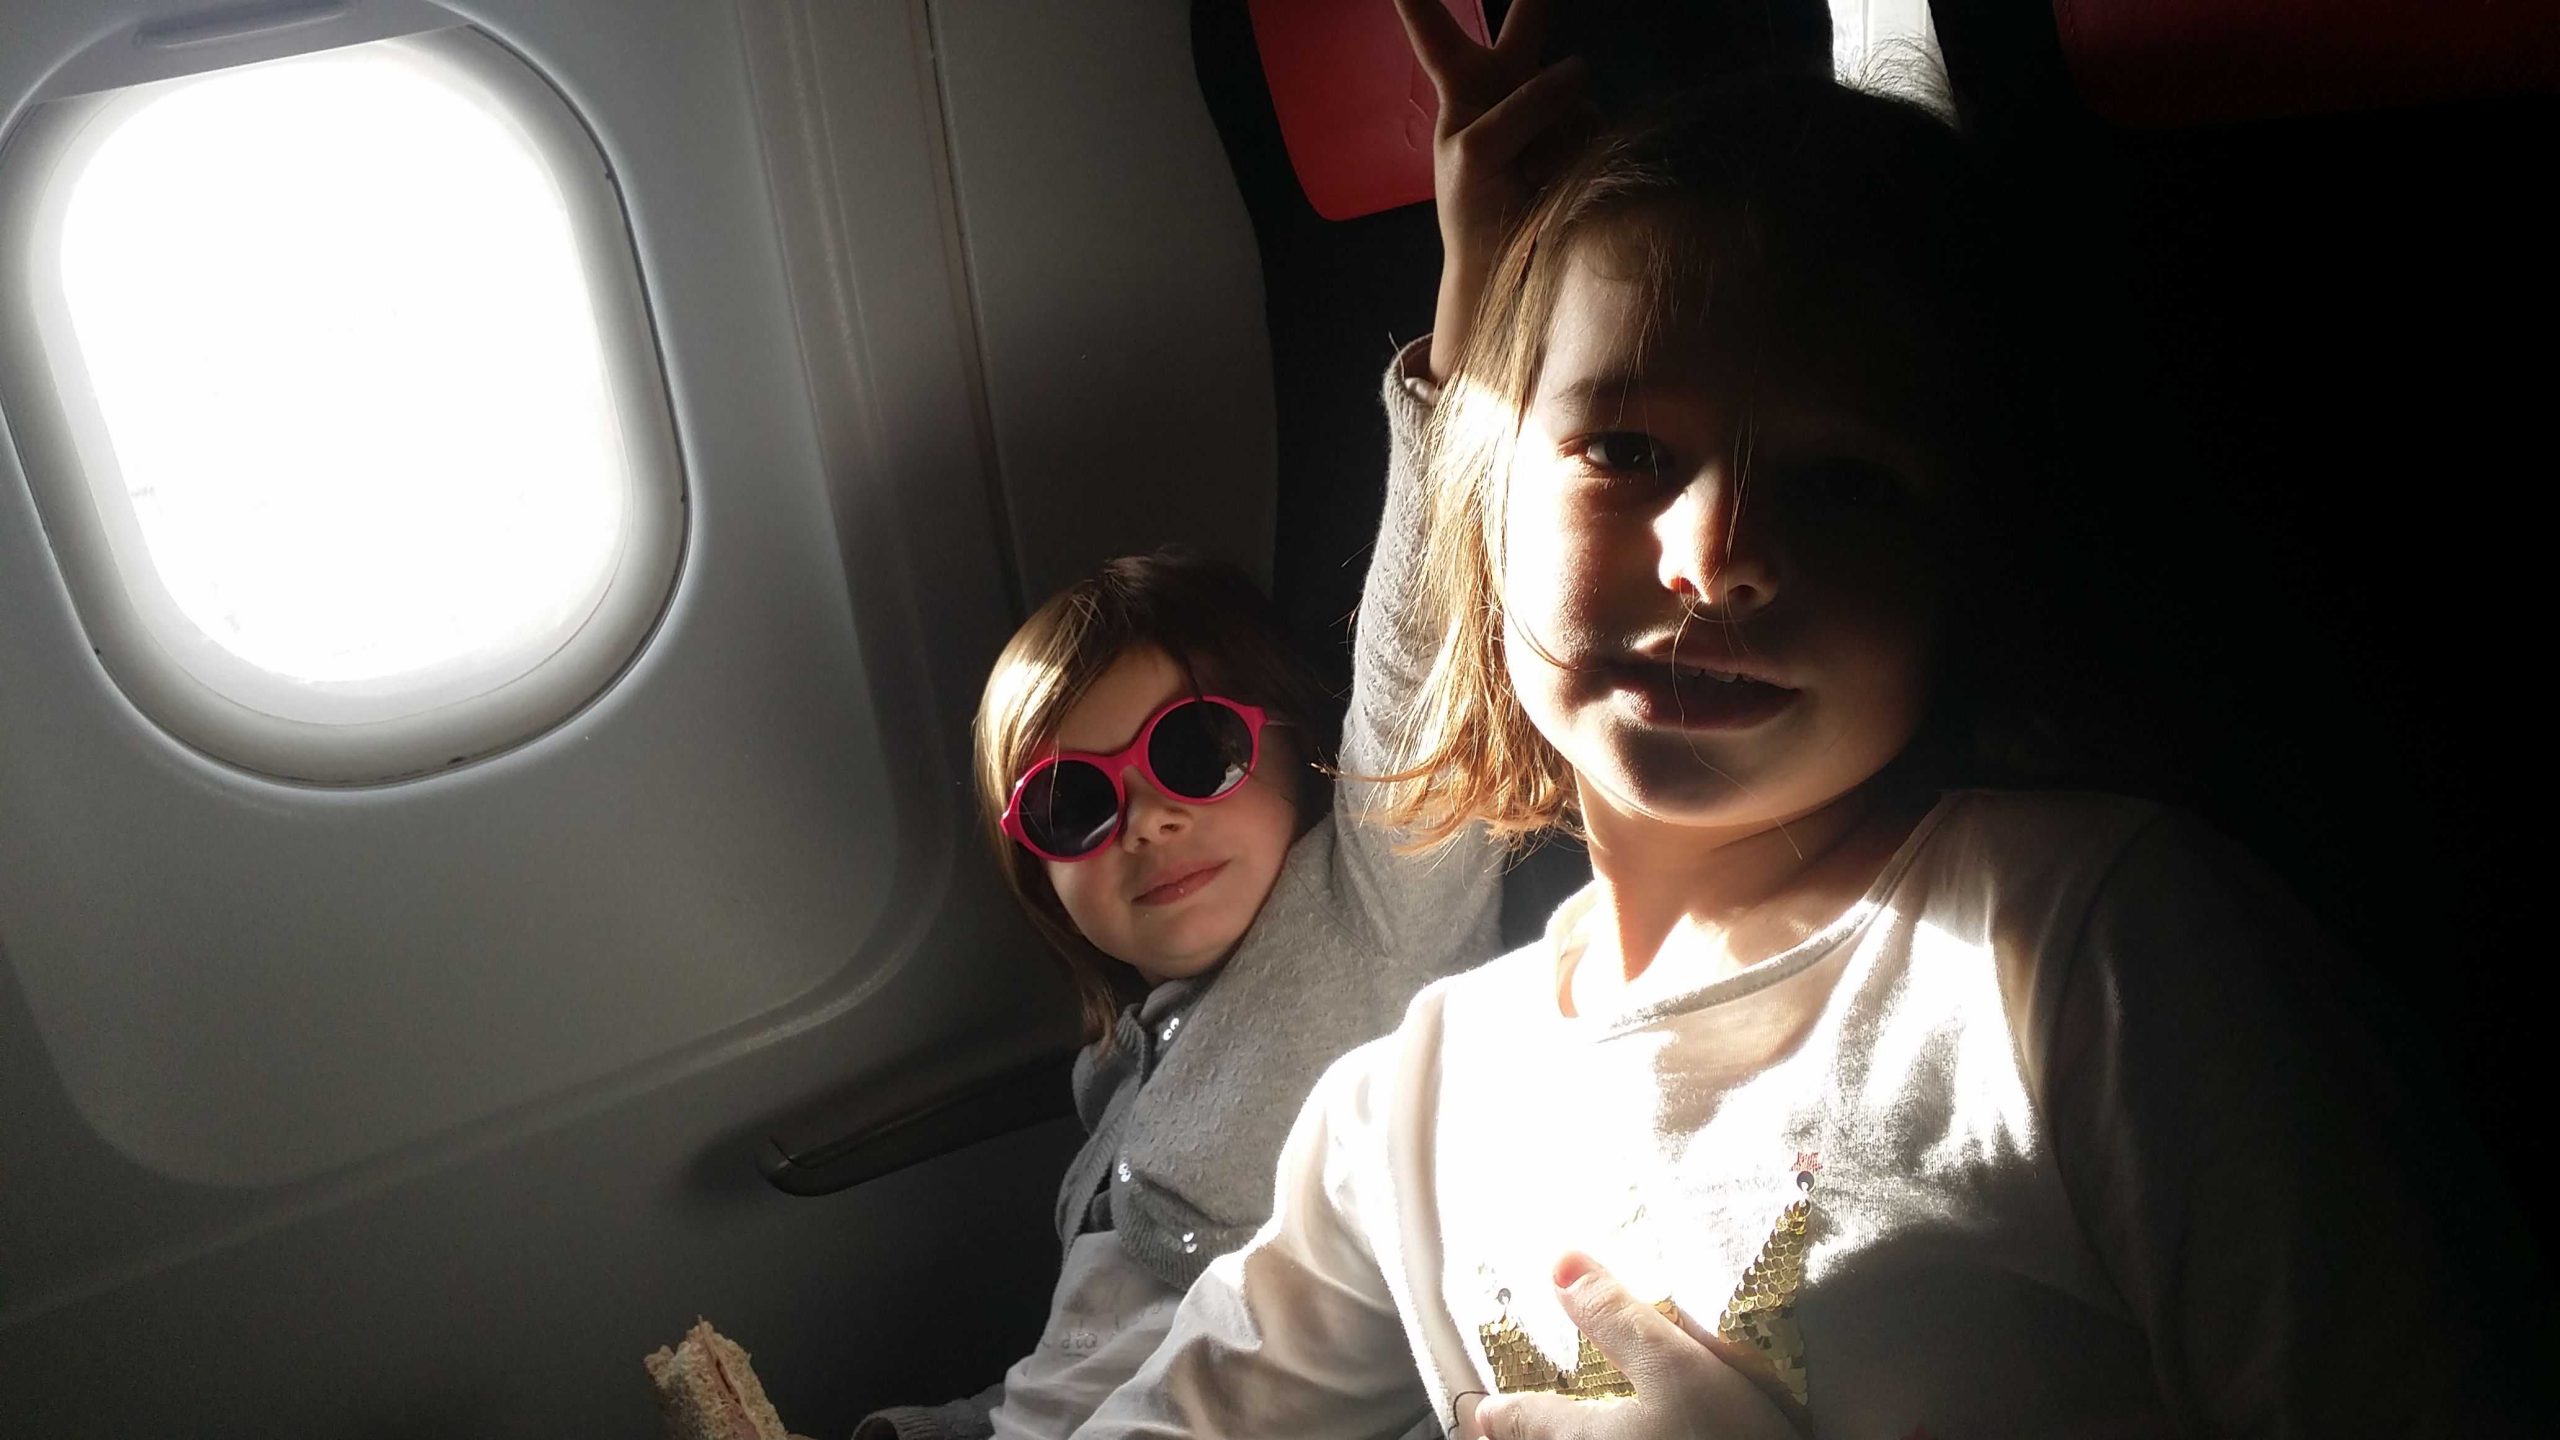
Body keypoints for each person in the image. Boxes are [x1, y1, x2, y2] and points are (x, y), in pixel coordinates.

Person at [1071, 10, 2491, 1438]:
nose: (1716, 556)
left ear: (1965, 562)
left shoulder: (2087, 959)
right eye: (1624, 449)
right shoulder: (1416, 1102)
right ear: (1481, 513)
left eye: (1847, 483)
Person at [850, 358, 1504, 1439]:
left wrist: (1444, 392)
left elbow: (1419, 660)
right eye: (1072, 804)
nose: (1146, 820)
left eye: (1195, 752)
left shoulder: (1372, 914)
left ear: (1303, 746)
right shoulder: (1114, 1076)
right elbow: (1083, 1365)